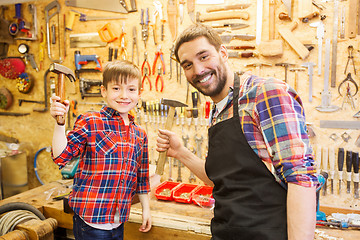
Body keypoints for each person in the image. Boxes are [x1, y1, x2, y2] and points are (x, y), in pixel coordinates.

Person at [156, 24, 319, 240]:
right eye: (188, 65)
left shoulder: (265, 94)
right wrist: (180, 152)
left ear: (223, 53)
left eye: (203, 57)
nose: (198, 70)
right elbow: (224, 182)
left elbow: (301, 178)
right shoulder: (219, 111)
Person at [51, 60, 151, 240]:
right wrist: (60, 124)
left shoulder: (140, 134)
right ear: (104, 90)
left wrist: (146, 210)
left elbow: (142, 178)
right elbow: (61, 157)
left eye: (131, 89)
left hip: (119, 221)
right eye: (116, 88)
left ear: (139, 93)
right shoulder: (90, 122)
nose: (123, 95)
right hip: (91, 222)